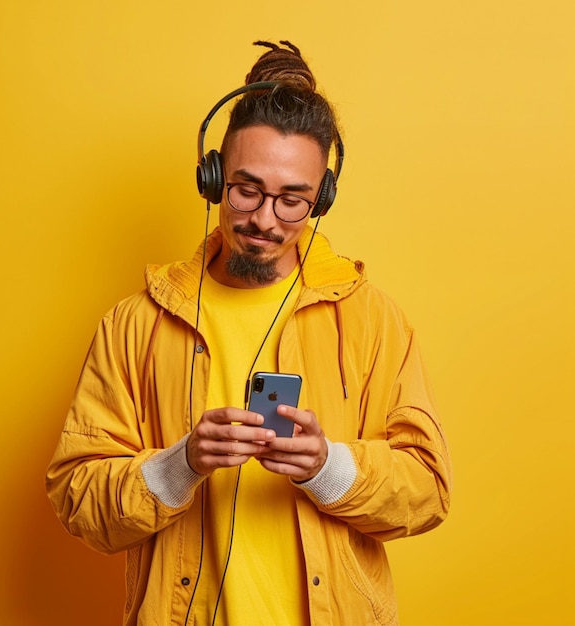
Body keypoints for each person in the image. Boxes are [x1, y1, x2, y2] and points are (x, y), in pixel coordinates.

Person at [46, 40, 452, 626]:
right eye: (247, 190)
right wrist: (179, 464)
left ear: (322, 199)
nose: (265, 219)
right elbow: (78, 498)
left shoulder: (374, 320)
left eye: (293, 200)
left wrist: (327, 466)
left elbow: (429, 488)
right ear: (212, 178)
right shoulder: (134, 324)